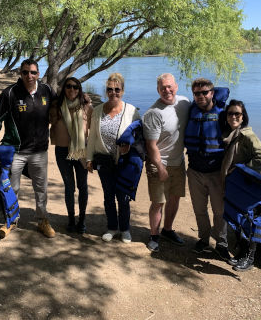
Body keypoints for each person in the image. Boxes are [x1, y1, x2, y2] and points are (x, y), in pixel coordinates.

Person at [0, 59, 57, 238]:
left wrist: (83, 102)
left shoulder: (46, 90)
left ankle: (42, 221)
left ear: (38, 74)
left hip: (39, 151)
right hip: (15, 151)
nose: (29, 76)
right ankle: (11, 221)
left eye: (33, 72)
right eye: (25, 72)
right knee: (12, 188)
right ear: (20, 73)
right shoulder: (10, 94)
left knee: (41, 189)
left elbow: (62, 109)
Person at [86, 73, 140, 243]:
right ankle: (112, 227)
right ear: (106, 91)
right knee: (108, 196)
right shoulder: (97, 111)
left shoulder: (131, 111)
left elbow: (139, 136)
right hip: (104, 162)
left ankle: (125, 229)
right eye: (110, 89)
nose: (113, 92)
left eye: (117, 89)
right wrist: (89, 158)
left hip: (124, 163)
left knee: (123, 197)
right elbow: (93, 137)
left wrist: (130, 146)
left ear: (122, 91)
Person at [184, 78, 231, 261]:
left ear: (212, 93)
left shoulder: (223, 113)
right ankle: (203, 240)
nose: (201, 96)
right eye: (197, 93)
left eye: (205, 92)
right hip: (195, 171)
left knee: (220, 211)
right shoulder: (191, 111)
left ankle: (221, 243)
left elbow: (236, 136)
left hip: (216, 173)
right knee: (199, 209)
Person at [142, 73, 190, 252]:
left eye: (170, 87)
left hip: (179, 161)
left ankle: (168, 230)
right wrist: (160, 168)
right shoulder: (153, 113)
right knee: (158, 202)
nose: (167, 90)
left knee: (175, 198)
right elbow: (151, 146)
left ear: (176, 87)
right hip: (159, 162)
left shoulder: (185, 102)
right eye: (163, 88)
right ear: (158, 90)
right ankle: (154, 235)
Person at [221, 99, 261, 271]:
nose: (233, 116)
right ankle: (241, 254)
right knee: (238, 219)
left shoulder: (247, 135)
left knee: (249, 220)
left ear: (243, 117)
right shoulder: (230, 134)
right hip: (236, 186)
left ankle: (249, 258)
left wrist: (242, 170)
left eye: (237, 114)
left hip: (248, 186)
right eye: (230, 113)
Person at [50, 77, 93, 233]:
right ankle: (71, 219)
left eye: (76, 87)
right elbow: (42, 120)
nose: (72, 90)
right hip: (62, 152)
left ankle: (82, 220)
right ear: (64, 88)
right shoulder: (56, 107)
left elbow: (94, 131)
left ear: (80, 89)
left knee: (83, 186)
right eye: (68, 86)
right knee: (69, 187)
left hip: (81, 152)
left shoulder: (87, 107)